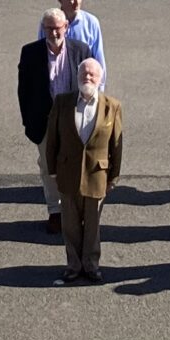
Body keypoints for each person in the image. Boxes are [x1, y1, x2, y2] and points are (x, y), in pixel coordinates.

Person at [39, 56, 123, 283]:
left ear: (100, 79)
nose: (87, 77)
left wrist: (114, 176)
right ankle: (73, 265)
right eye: (83, 73)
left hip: (97, 175)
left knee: (93, 226)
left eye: (92, 74)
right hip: (68, 173)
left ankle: (91, 265)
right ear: (77, 77)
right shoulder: (62, 102)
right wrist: (52, 170)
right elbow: (52, 139)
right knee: (70, 225)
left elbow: (116, 145)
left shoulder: (112, 106)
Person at [16, 6, 76, 236]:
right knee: (49, 167)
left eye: (57, 28)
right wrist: (28, 121)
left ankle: (72, 210)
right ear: (43, 28)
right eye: (49, 28)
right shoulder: (30, 53)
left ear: (66, 27)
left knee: (72, 165)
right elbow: (23, 91)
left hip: (72, 121)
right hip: (44, 121)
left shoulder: (80, 50)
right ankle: (55, 211)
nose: (54, 33)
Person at [44, 0, 105, 71]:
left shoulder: (91, 22)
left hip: (81, 76)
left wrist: (99, 79)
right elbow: (41, 51)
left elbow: (98, 56)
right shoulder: (49, 21)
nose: (77, 2)